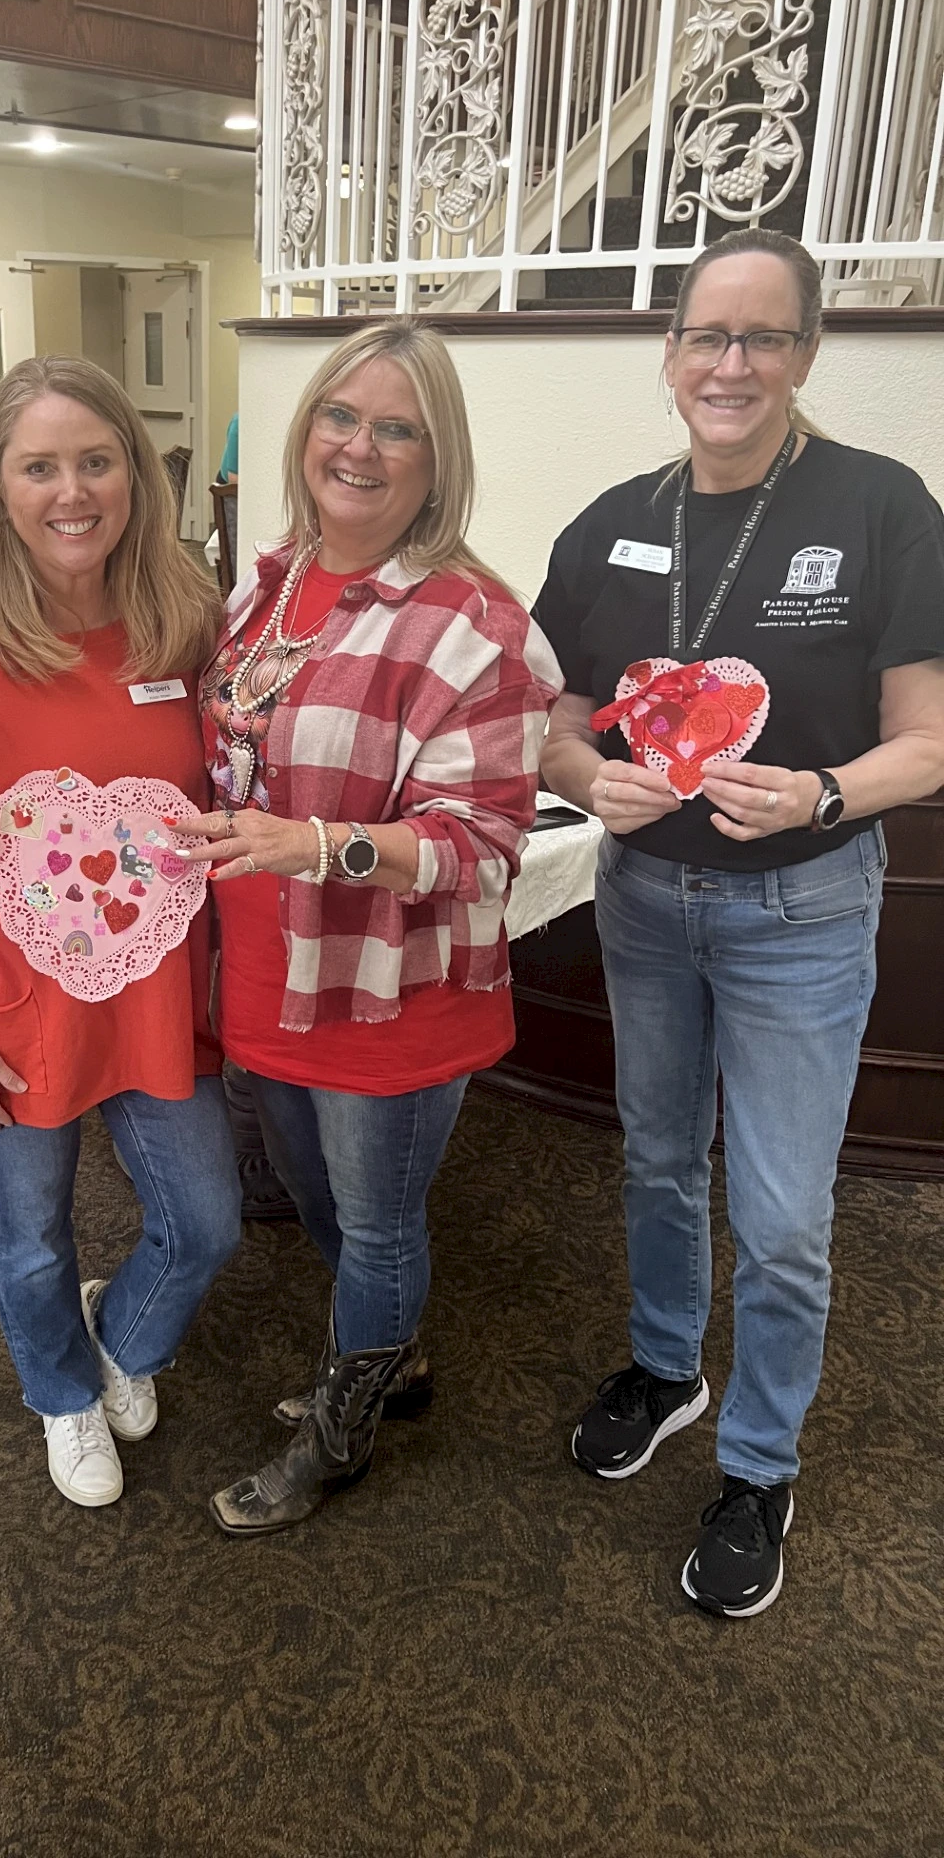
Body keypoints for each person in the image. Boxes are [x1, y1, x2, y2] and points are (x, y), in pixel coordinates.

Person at [534, 229, 944, 1618]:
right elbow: (547, 719)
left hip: (804, 913)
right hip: (645, 898)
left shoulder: (883, 505)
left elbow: (929, 745)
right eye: (708, 336)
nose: (731, 363)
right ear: (669, 359)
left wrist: (825, 792)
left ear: (807, 355)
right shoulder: (609, 521)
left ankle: (759, 1463)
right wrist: (592, 778)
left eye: (764, 339)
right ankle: (666, 1366)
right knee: (655, 1158)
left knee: (778, 1216)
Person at [175, 315, 562, 1536]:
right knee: (316, 1199)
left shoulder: (472, 625)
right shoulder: (270, 580)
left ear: (434, 459)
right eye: (341, 416)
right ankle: (389, 1353)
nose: (360, 445)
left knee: (378, 1218)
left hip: (388, 990)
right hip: (267, 975)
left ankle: (342, 1432)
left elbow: (485, 843)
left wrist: (315, 844)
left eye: (396, 428)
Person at [0, 355, 241, 1510]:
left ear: (135, 471)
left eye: (96, 460)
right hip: (10, 1002)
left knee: (209, 1221)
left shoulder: (186, 620)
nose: (71, 491)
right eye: (39, 467)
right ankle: (61, 1394)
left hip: (157, 989)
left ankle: (119, 1344)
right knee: (32, 1229)